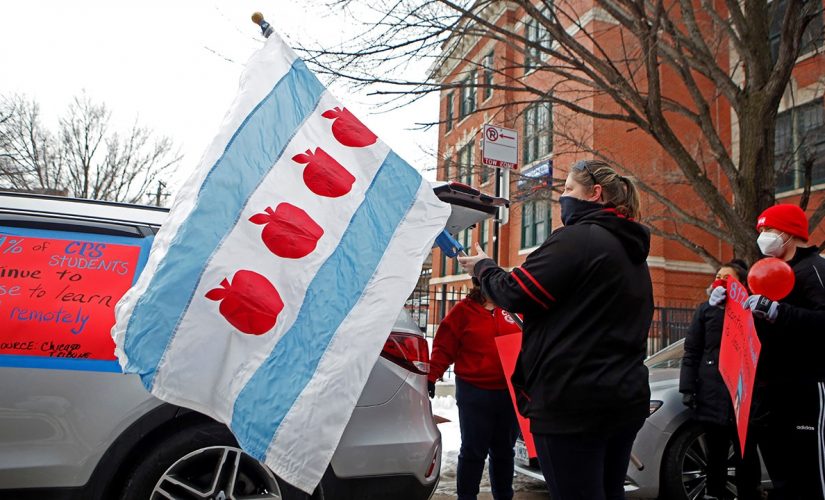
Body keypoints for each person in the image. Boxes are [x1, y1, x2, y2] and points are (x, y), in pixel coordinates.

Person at [458, 159, 653, 500]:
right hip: (621, 398)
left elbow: (516, 291)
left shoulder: (578, 239)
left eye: (568, 190)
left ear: (595, 194)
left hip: (573, 403)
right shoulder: (630, 251)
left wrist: (485, 268)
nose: (562, 198)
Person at [734, 204, 824, 500]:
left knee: (808, 477)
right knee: (783, 478)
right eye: (761, 231)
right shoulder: (771, 274)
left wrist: (778, 311)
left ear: (791, 234)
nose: (763, 237)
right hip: (771, 391)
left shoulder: (813, 270)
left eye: (769, 230)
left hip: (805, 389)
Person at [428, 280, 522, 500]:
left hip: (508, 392)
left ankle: (504, 496)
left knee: (504, 451)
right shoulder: (463, 311)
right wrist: (432, 375)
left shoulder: (513, 309)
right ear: (479, 286)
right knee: (473, 451)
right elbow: (444, 346)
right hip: (474, 392)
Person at [679, 260, 762, 500]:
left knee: (746, 452)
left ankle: (750, 492)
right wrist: (688, 387)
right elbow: (692, 351)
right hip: (712, 393)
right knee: (715, 454)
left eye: (727, 277)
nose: (720, 280)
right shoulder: (706, 311)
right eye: (718, 276)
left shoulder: (751, 311)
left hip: (744, 396)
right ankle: (714, 494)